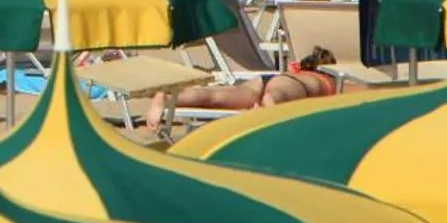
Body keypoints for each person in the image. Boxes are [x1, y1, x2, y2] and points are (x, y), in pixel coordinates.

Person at [144, 48, 366, 131]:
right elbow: (367, 94)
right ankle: (262, 113)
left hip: (266, 79)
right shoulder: (329, 80)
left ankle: (168, 98)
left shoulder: (301, 73)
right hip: (293, 87)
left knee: (215, 96)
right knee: (274, 97)